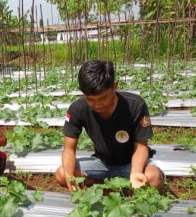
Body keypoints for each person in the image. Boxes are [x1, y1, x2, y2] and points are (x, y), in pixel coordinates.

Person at [55, 60, 164, 192]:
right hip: (101, 163)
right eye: (90, 99)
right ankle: (104, 182)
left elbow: (141, 147)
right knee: (62, 174)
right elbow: (69, 149)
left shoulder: (135, 105)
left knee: (154, 178)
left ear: (114, 87)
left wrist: (135, 173)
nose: (97, 104)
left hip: (132, 163)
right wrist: (69, 176)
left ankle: (121, 182)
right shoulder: (78, 109)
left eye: (102, 98)